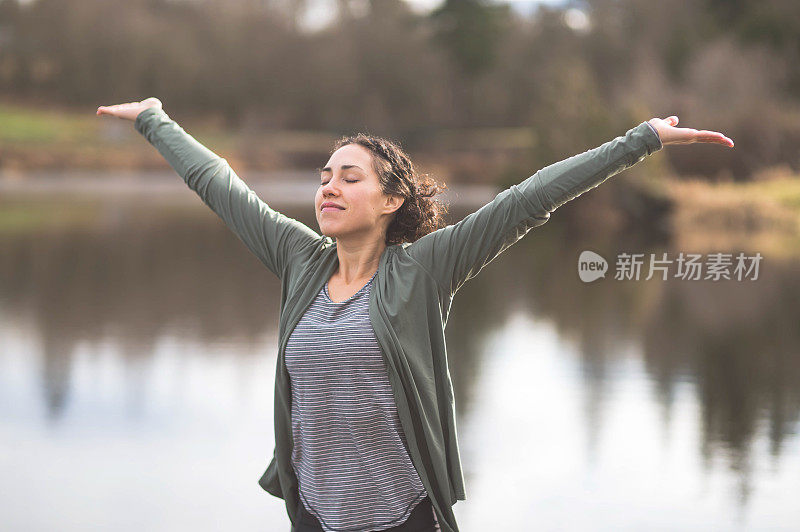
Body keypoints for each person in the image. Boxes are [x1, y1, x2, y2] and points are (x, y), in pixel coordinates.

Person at [96, 97, 734, 532]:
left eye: (349, 177)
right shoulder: (298, 259)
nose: (328, 187)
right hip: (316, 516)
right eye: (324, 177)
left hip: (404, 517)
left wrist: (641, 140)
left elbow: (531, 197)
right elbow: (218, 184)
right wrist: (154, 119)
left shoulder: (427, 268)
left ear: (391, 199)